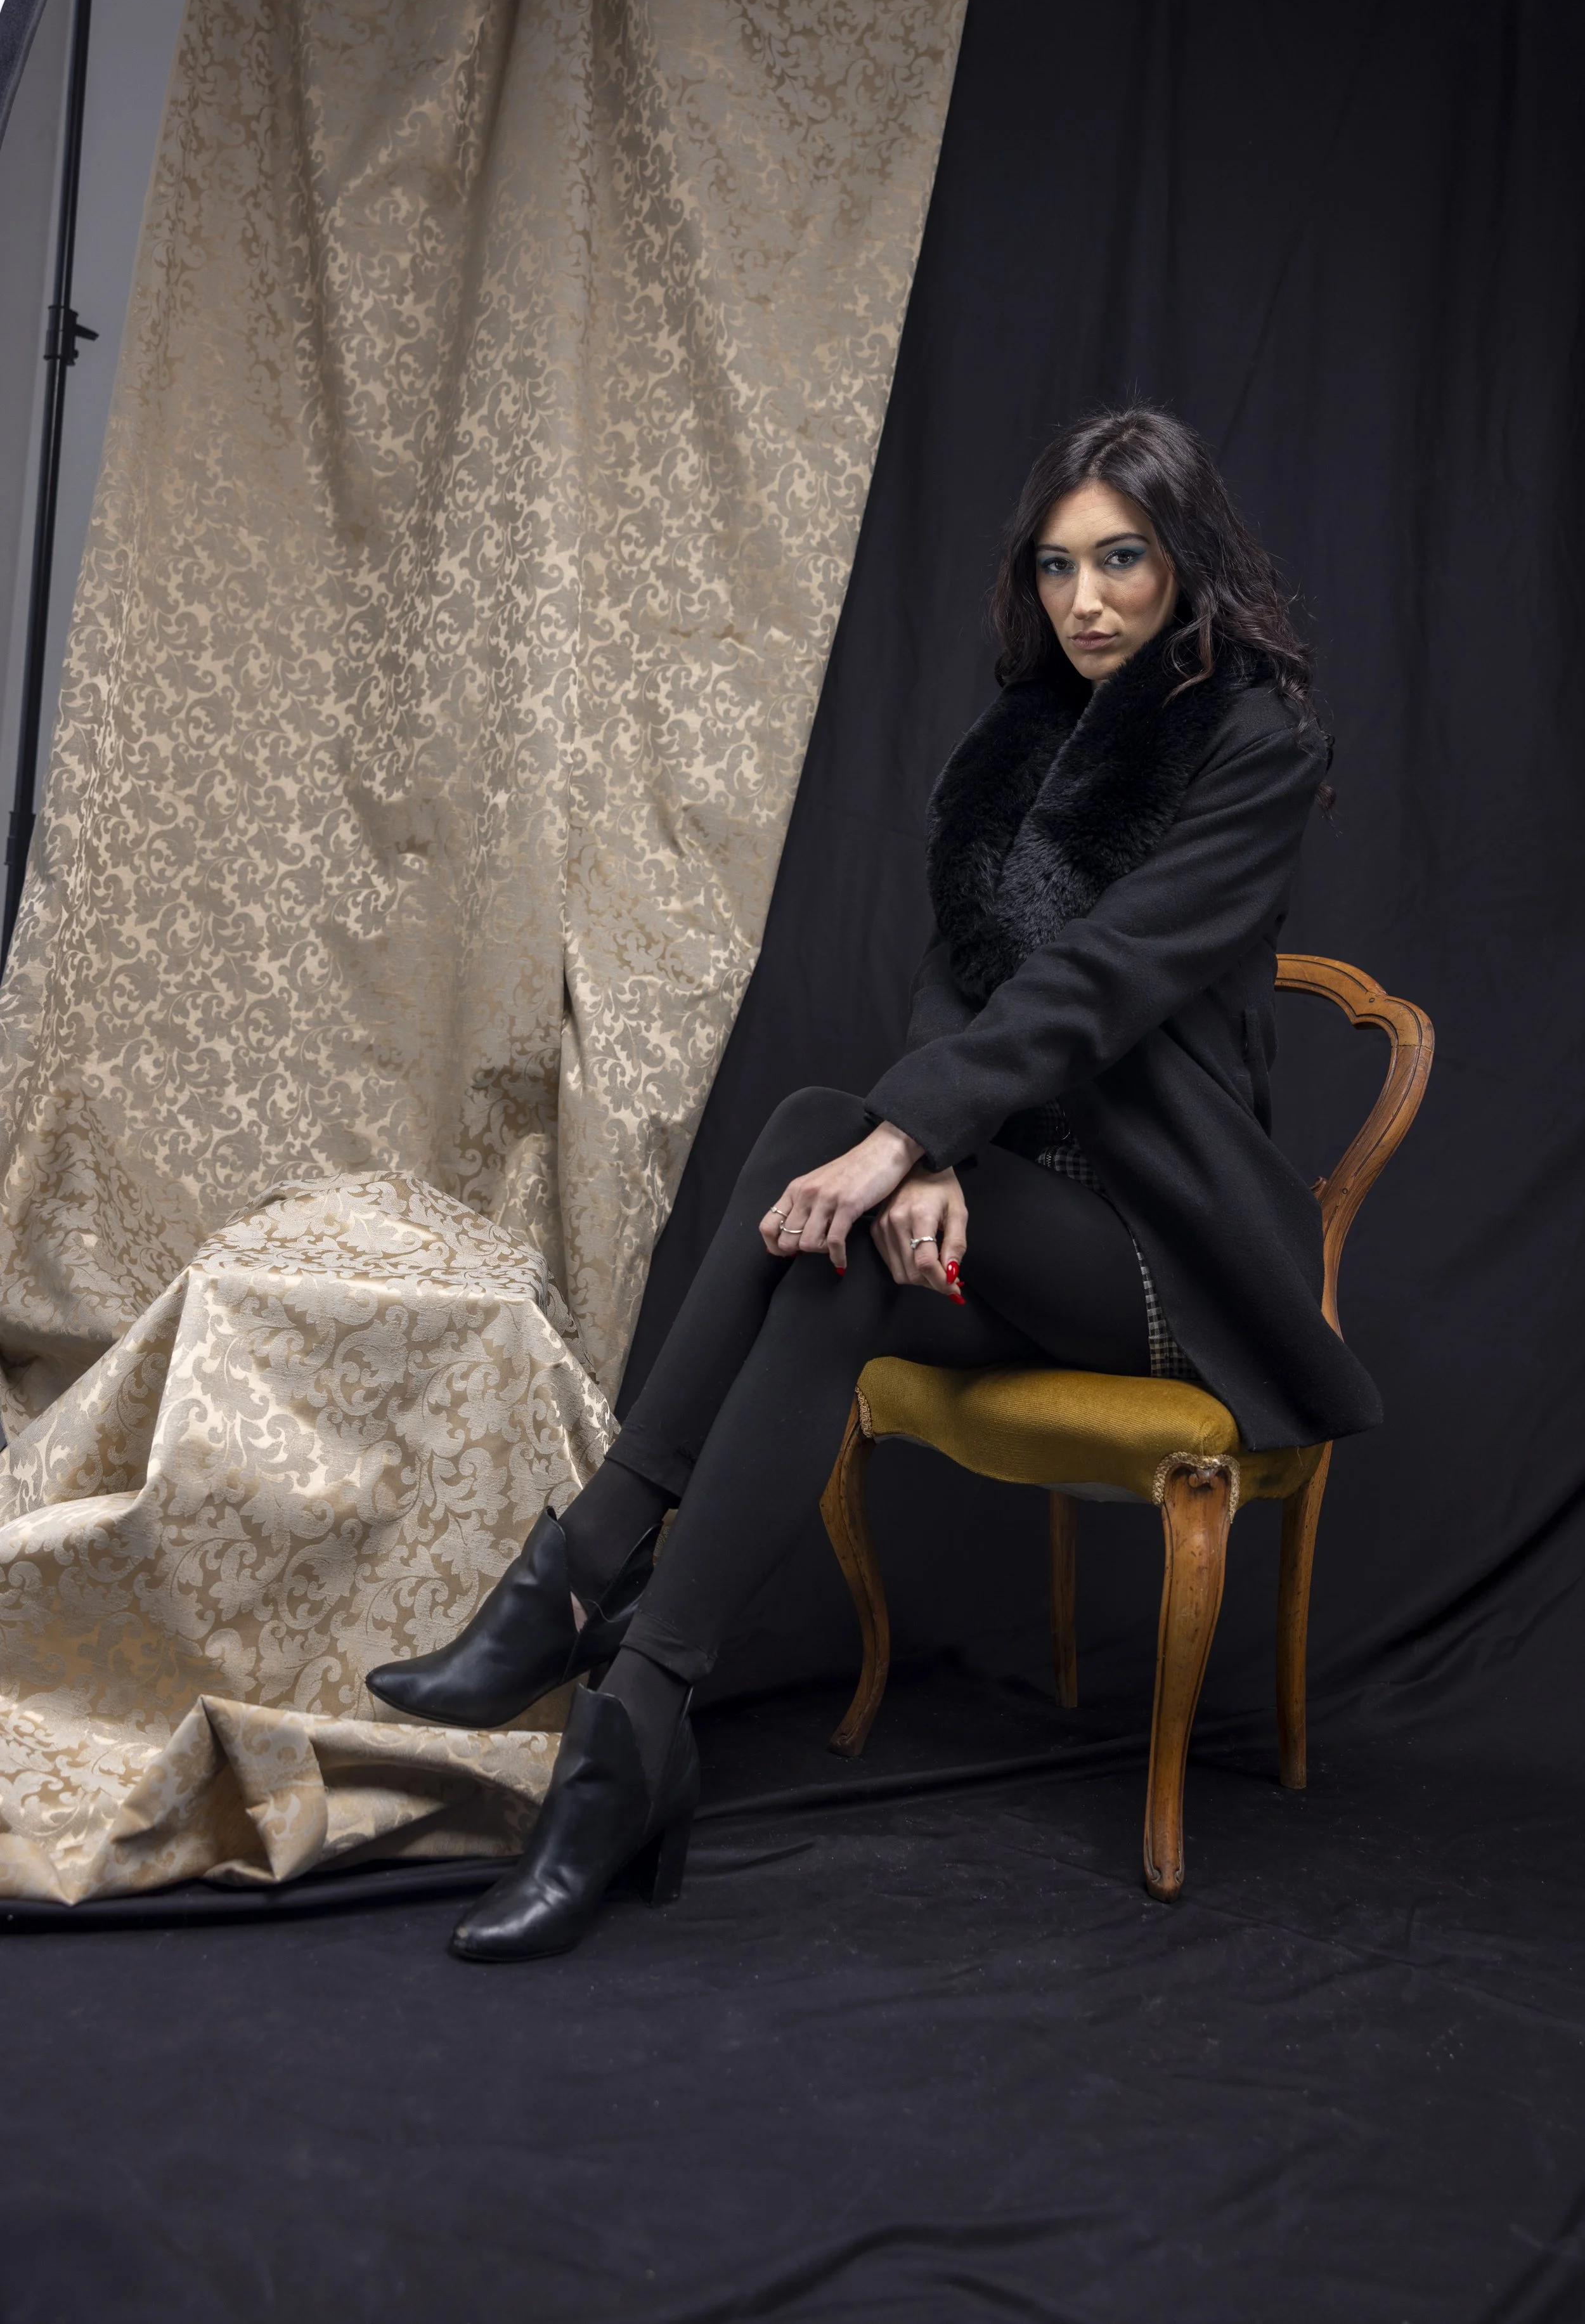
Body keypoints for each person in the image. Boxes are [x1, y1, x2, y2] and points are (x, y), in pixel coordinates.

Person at [368, 405, 1381, 1963]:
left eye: (1120, 559)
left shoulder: (1253, 739)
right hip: (1019, 1214)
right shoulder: (1019, 740)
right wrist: (933, 1153)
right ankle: (633, 1718)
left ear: (1184, 561)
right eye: (1055, 567)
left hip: (1166, 1261)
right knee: (825, 1233)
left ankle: (575, 1581)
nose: (1085, 599)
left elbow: (1099, 979)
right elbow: (957, 976)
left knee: (821, 1137)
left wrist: (910, 1138)